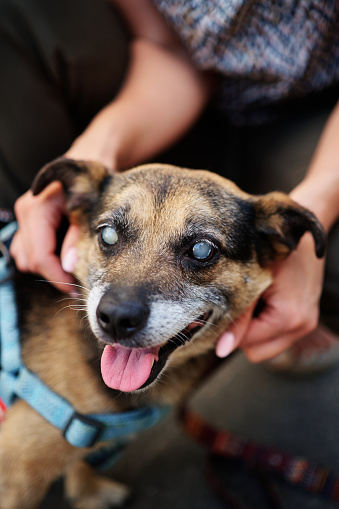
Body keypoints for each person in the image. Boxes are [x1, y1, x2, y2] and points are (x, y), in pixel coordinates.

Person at [3, 0, 339, 367]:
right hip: (179, 97)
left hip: (316, 117)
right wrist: (93, 154)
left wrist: (312, 216)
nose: (120, 311)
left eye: (200, 251)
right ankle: (21, 287)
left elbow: (306, 225)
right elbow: (167, 49)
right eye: (110, 236)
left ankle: (292, 323)